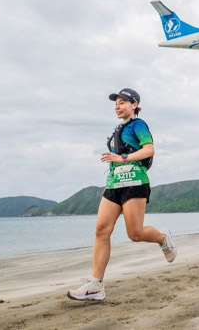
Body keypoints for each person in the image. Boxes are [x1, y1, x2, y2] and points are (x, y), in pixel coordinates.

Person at [67, 88, 176, 301]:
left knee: (135, 234)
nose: (117, 106)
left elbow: (149, 150)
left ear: (134, 104)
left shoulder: (139, 125)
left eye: (122, 102)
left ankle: (163, 239)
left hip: (135, 181)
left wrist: (123, 157)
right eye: (115, 103)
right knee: (101, 229)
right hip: (114, 183)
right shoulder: (117, 128)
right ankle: (96, 285)